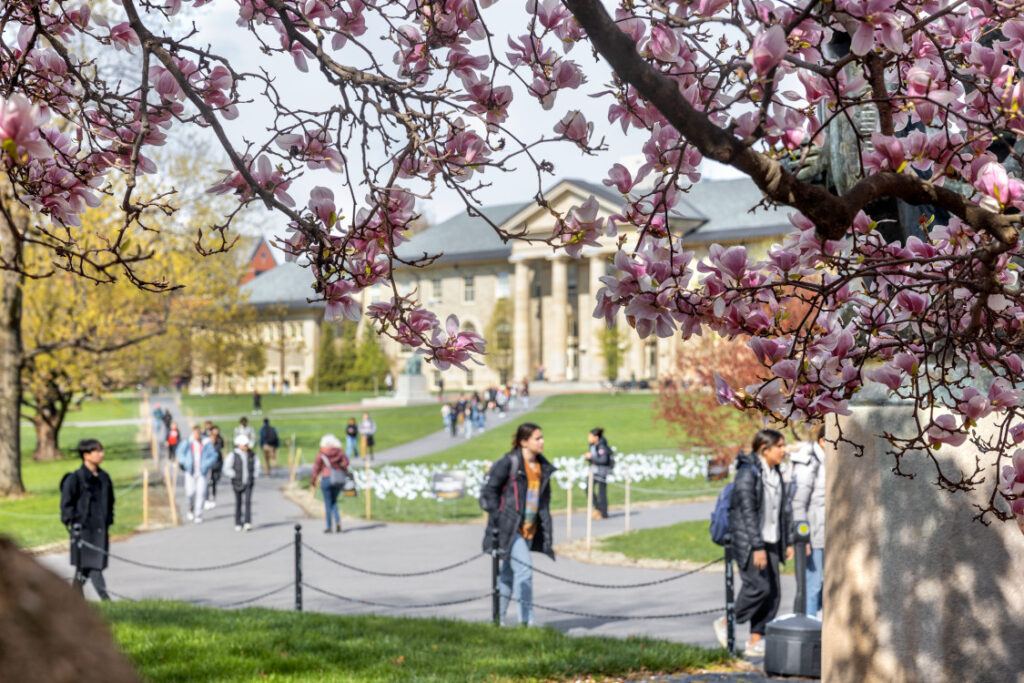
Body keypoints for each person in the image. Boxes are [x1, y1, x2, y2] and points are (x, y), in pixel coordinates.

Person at [714, 429, 793, 656]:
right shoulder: (747, 473)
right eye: (779, 446)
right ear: (764, 449)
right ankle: (727, 621)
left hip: (772, 540)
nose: (783, 450)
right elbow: (747, 512)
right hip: (750, 542)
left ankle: (756, 640)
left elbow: (781, 510)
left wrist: (786, 541)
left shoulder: (775, 472)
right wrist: (757, 547)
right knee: (758, 587)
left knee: (773, 593)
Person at [479, 422, 556, 627]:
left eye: (542, 437)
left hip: (529, 528)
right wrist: (499, 517)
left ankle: (497, 620)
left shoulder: (542, 467)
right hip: (511, 529)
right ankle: (527, 622)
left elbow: (541, 502)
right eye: (537, 438)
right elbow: (489, 493)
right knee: (525, 570)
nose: (542, 442)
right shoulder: (509, 462)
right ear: (524, 441)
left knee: (507, 573)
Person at [60, 439, 114, 600]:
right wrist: (74, 522)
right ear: (86, 455)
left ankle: (74, 600)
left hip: (100, 530)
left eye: (101, 450)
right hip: (83, 531)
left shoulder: (104, 478)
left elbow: (110, 502)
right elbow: (66, 505)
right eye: (97, 451)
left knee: (83, 569)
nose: (101, 454)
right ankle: (107, 601)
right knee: (93, 567)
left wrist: (108, 520)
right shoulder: (75, 478)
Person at [791, 425, 827, 618]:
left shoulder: (828, 461)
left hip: (829, 532)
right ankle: (810, 627)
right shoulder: (809, 461)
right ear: (822, 441)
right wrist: (802, 536)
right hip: (814, 534)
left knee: (826, 583)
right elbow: (798, 502)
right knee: (813, 584)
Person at [177, 426, 219, 523]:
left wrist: (206, 464)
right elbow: (179, 453)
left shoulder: (206, 443)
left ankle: (198, 514)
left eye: (198, 433)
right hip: (190, 471)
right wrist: (185, 462)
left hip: (202, 472)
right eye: (194, 433)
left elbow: (213, 455)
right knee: (190, 492)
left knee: (200, 493)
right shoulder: (188, 442)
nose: (196, 435)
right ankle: (190, 508)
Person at [310, 434, 350, 533]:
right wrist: (339, 466)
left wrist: (313, 480)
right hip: (338, 479)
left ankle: (329, 526)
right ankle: (338, 522)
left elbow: (316, 468)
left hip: (326, 478)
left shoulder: (322, 453)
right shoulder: (339, 452)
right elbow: (346, 463)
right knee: (334, 501)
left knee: (328, 503)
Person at [223, 434, 261, 531]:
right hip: (237, 482)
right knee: (238, 502)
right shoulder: (233, 455)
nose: (246, 446)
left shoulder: (251, 455)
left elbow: (257, 465)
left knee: (248, 502)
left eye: (247, 445)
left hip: (249, 482)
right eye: (244, 445)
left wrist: (255, 475)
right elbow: (226, 468)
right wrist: (233, 475)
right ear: (239, 445)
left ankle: (247, 522)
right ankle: (238, 522)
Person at [583, 427, 613, 520]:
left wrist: (591, 457)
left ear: (596, 437)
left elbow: (604, 460)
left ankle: (604, 513)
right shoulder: (592, 445)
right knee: (588, 487)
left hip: (602, 472)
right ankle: (597, 507)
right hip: (594, 471)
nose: (588, 438)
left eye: (590, 436)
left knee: (602, 493)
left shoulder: (602, 446)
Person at [206, 425, 225, 509]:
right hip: (209, 465)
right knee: (207, 482)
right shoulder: (207, 444)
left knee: (214, 481)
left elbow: (221, 448)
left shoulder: (219, 440)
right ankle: (206, 499)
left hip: (217, 464)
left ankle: (213, 497)